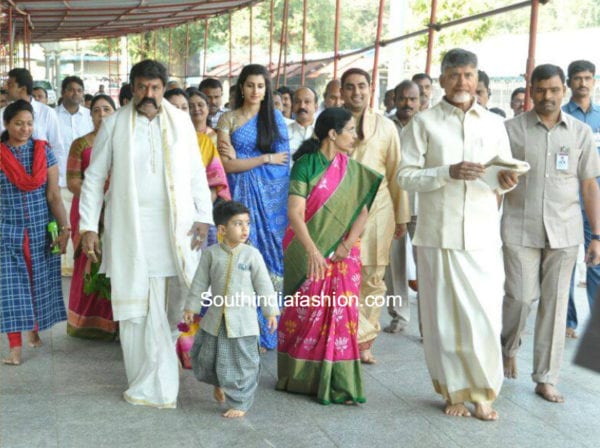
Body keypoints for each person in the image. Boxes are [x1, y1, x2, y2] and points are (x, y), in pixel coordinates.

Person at [78, 60, 213, 408]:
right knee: (136, 309)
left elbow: (196, 172)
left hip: (175, 229)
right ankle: (150, 382)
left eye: (155, 88)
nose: (148, 94)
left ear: (164, 88)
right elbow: (94, 178)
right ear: (132, 88)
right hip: (130, 231)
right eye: (142, 87)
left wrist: (203, 215)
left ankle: (158, 369)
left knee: (170, 306)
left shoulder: (181, 121)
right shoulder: (114, 124)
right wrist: (89, 226)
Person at [398, 48, 517, 421]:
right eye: (455, 75)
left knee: (484, 317)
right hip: (439, 234)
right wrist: (447, 172)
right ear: (442, 79)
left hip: (482, 235)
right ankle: (453, 390)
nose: (463, 82)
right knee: (443, 319)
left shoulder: (494, 124)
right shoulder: (424, 123)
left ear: (478, 78)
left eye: (469, 75)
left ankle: (483, 392)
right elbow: (404, 176)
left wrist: (508, 182)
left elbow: (504, 174)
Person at [501, 64, 600, 404]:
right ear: (531, 91)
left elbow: (589, 185)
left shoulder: (580, 133)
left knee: (555, 306)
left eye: (554, 90)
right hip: (518, 227)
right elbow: (494, 180)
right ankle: (508, 346)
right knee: (519, 298)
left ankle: (546, 377)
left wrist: (597, 236)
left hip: (565, 231)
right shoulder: (510, 130)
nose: (547, 96)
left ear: (564, 90)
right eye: (541, 90)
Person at [276, 107, 382, 405]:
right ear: (333, 134)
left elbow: (363, 211)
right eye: (350, 129)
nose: (355, 136)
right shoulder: (305, 165)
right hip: (307, 248)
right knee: (304, 313)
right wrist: (313, 251)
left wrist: (347, 244)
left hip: (344, 255)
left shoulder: (351, 168)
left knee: (341, 317)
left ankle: (340, 381)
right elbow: (295, 213)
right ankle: (300, 377)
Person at [217, 64, 290, 351]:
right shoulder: (228, 119)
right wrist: (263, 158)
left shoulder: (275, 120)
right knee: (239, 259)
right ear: (241, 87)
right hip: (238, 197)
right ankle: (241, 328)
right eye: (249, 85)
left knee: (268, 261)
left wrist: (254, 160)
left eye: (260, 86)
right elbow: (227, 164)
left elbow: (283, 163)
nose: (255, 91)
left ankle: (267, 331)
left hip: (271, 204)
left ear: (266, 89)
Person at [184, 200, 279, 418]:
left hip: (243, 323)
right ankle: (218, 383)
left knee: (244, 364)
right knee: (207, 359)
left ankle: (240, 402)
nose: (245, 229)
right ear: (222, 230)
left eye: (247, 223)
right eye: (238, 224)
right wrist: (191, 307)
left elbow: (264, 285)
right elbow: (199, 283)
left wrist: (270, 312)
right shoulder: (211, 254)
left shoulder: (251, 255)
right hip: (215, 321)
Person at [340, 67, 410, 364]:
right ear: (342, 91)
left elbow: (396, 173)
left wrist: (401, 216)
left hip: (379, 210)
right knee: (342, 278)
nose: (357, 92)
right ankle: (341, 336)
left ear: (371, 89)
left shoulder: (386, 127)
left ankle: (364, 341)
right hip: (340, 211)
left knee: (372, 278)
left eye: (362, 86)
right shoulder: (331, 122)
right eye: (350, 87)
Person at [1, 99, 70, 365]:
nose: (25, 129)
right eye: (18, 123)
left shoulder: (44, 152)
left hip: (42, 230)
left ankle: (35, 333)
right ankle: (15, 348)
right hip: (7, 232)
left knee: (38, 283)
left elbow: (53, 195)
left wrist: (65, 227)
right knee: (10, 289)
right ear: (7, 124)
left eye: (29, 123)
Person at [66, 94, 117, 340]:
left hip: (117, 209)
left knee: (115, 263)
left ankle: (115, 324)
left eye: (107, 109)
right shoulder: (81, 144)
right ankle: (84, 323)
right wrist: (96, 198)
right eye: (96, 110)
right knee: (87, 261)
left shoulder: (122, 142)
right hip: (87, 211)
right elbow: (73, 180)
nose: (102, 115)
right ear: (91, 115)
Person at [562, 60, 600, 339]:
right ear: (569, 82)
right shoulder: (561, 116)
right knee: (565, 262)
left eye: (588, 78)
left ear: (594, 81)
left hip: (595, 200)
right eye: (577, 78)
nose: (583, 83)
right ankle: (567, 321)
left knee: (596, 262)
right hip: (565, 198)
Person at [384, 80, 421, 334]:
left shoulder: (428, 125)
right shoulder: (385, 127)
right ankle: (399, 316)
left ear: (420, 101)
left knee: (426, 265)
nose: (407, 103)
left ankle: (427, 325)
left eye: (412, 99)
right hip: (392, 202)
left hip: (421, 203)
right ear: (394, 99)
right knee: (394, 264)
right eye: (403, 98)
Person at [1, 68, 65, 188]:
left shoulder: (47, 113)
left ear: (23, 88)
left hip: (44, 181)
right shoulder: (2, 114)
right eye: (19, 123)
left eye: (10, 84)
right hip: (9, 182)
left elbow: (57, 147)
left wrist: (56, 182)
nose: (5, 87)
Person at [57, 76, 94, 276]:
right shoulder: (53, 115)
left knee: (81, 221)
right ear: (63, 92)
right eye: (71, 89)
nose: (75, 93)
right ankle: (65, 266)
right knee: (66, 223)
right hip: (60, 180)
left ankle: (80, 264)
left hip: (84, 182)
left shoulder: (89, 116)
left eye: (79, 90)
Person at [288, 86, 317, 157]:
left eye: (307, 102)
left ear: (316, 107)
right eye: (297, 102)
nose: (302, 106)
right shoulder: (284, 133)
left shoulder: (325, 133)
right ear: (292, 106)